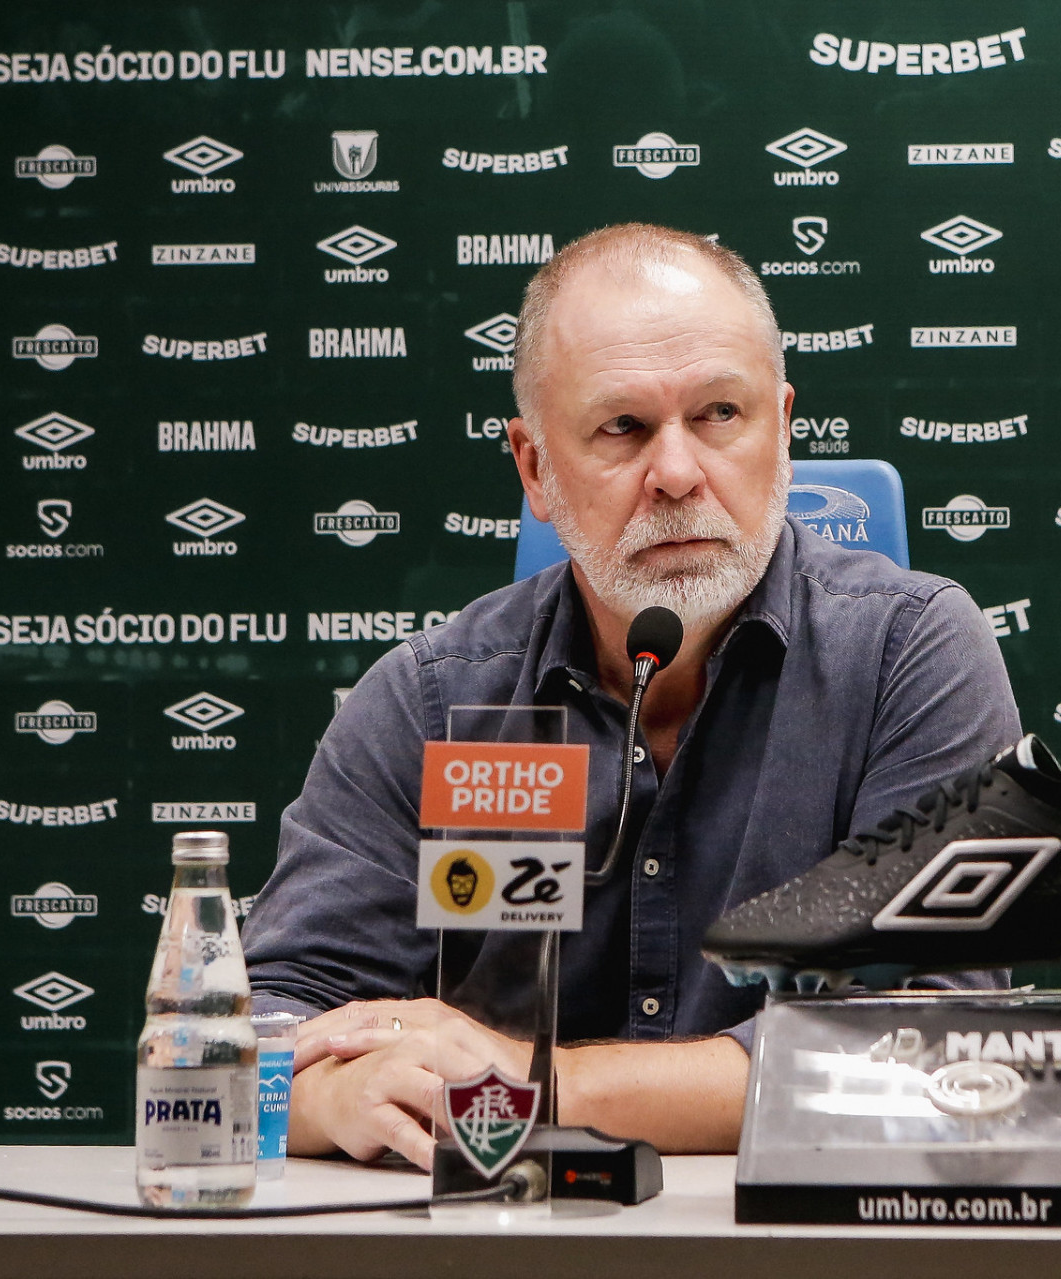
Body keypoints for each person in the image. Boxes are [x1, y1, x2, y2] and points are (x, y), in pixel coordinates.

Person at [243, 223, 1020, 1167]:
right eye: (623, 428)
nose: (680, 474)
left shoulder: (911, 654)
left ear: (782, 427)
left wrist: (525, 1083)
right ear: (533, 468)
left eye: (721, 415)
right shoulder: (430, 699)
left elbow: (937, 1049)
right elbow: (254, 1028)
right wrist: (331, 1093)